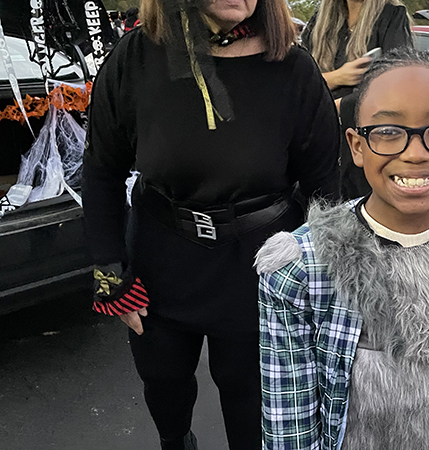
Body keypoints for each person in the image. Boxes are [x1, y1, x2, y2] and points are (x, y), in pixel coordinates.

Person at [81, 0, 340, 448]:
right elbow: (102, 168)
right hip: (160, 261)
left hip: (261, 268)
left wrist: (324, 279)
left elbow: (325, 189)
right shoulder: (135, 57)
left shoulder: (294, 69)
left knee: (253, 420)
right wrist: (110, 275)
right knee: (165, 397)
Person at [255, 48, 429, 449]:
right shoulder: (300, 270)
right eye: (388, 132)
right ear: (356, 146)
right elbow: (289, 420)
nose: (416, 152)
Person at [301, 0, 413, 199]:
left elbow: (397, 82)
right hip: (321, 142)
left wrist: (336, 106)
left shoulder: (391, 16)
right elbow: (300, 82)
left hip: (365, 142)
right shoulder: (319, 21)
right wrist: (338, 77)